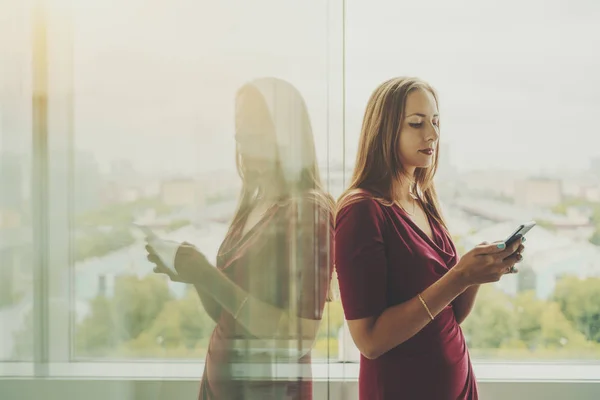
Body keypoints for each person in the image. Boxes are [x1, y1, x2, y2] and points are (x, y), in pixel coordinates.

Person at [334, 77, 525, 400]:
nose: (433, 134)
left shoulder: (421, 200)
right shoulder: (362, 212)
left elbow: (449, 314)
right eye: (416, 123)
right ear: (384, 130)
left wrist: (477, 273)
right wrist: (459, 276)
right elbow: (370, 341)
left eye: (435, 122)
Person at [146, 77, 334, 399]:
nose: (238, 134)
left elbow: (299, 338)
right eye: (238, 123)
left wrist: (208, 276)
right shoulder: (252, 205)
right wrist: (196, 276)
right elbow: (228, 315)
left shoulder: (309, 213)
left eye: (251, 123)